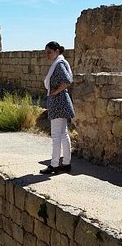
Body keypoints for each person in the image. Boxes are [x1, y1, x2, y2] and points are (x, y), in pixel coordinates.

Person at [40, 41, 74, 175]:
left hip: (58, 103)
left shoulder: (58, 65)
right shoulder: (60, 63)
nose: (47, 55)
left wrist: (55, 92)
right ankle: (66, 163)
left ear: (57, 51)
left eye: (49, 52)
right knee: (63, 134)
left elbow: (67, 80)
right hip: (61, 102)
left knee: (56, 135)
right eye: (46, 53)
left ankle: (54, 165)